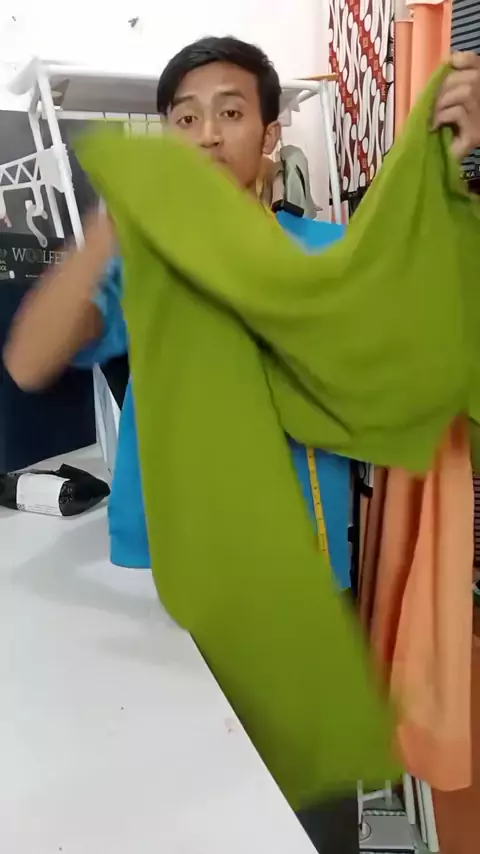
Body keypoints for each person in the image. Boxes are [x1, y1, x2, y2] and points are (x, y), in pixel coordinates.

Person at [4, 37, 480, 854]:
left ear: (269, 135)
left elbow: (428, 334)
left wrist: (446, 173)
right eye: (184, 119)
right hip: (181, 592)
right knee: (196, 816)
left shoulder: (327, 251)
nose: (206, 135)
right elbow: (29, 358)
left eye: (229, 112)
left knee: (312, 816)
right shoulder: (150, 270)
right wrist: (112, 230)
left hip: (308, 582)